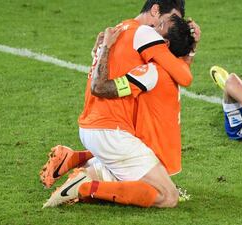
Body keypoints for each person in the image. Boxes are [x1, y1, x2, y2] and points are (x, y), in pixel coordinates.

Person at [42, 1, 198, 208]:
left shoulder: (120, 29)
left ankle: (76, 161)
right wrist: (190, 49)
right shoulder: (145, 36)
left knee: (129, 169)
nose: (160, 27)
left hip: (92, 124)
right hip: (111, 129)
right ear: (155, 10)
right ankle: (83, 186)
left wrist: (102, 49)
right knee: (167, 196)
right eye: (170, 19)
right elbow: (184, 77)